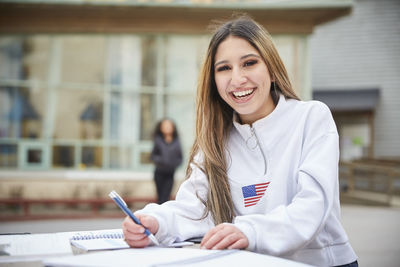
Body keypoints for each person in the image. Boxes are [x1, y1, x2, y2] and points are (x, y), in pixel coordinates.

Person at [122, 16, 358, 267]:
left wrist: (250, 231)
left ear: (272, 67)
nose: (237, 79)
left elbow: (312, 208)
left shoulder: (311, 117)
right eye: (224, 68)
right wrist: (153, 221)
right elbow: (194, 209)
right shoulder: (214, 140)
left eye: (249, 63)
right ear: (213, 81)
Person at [150, 118, 183, 204]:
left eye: (169, 126)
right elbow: (153, 156)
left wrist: (173, 164)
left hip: (170, 173)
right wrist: (162, 161)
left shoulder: (177, 141)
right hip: (159, 173)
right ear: (161, 128)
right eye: (165, 126)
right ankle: (159, 216)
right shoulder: (158, 140)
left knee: (166, 197)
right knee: (160, 198)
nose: (167, 127)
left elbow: (180, 157)